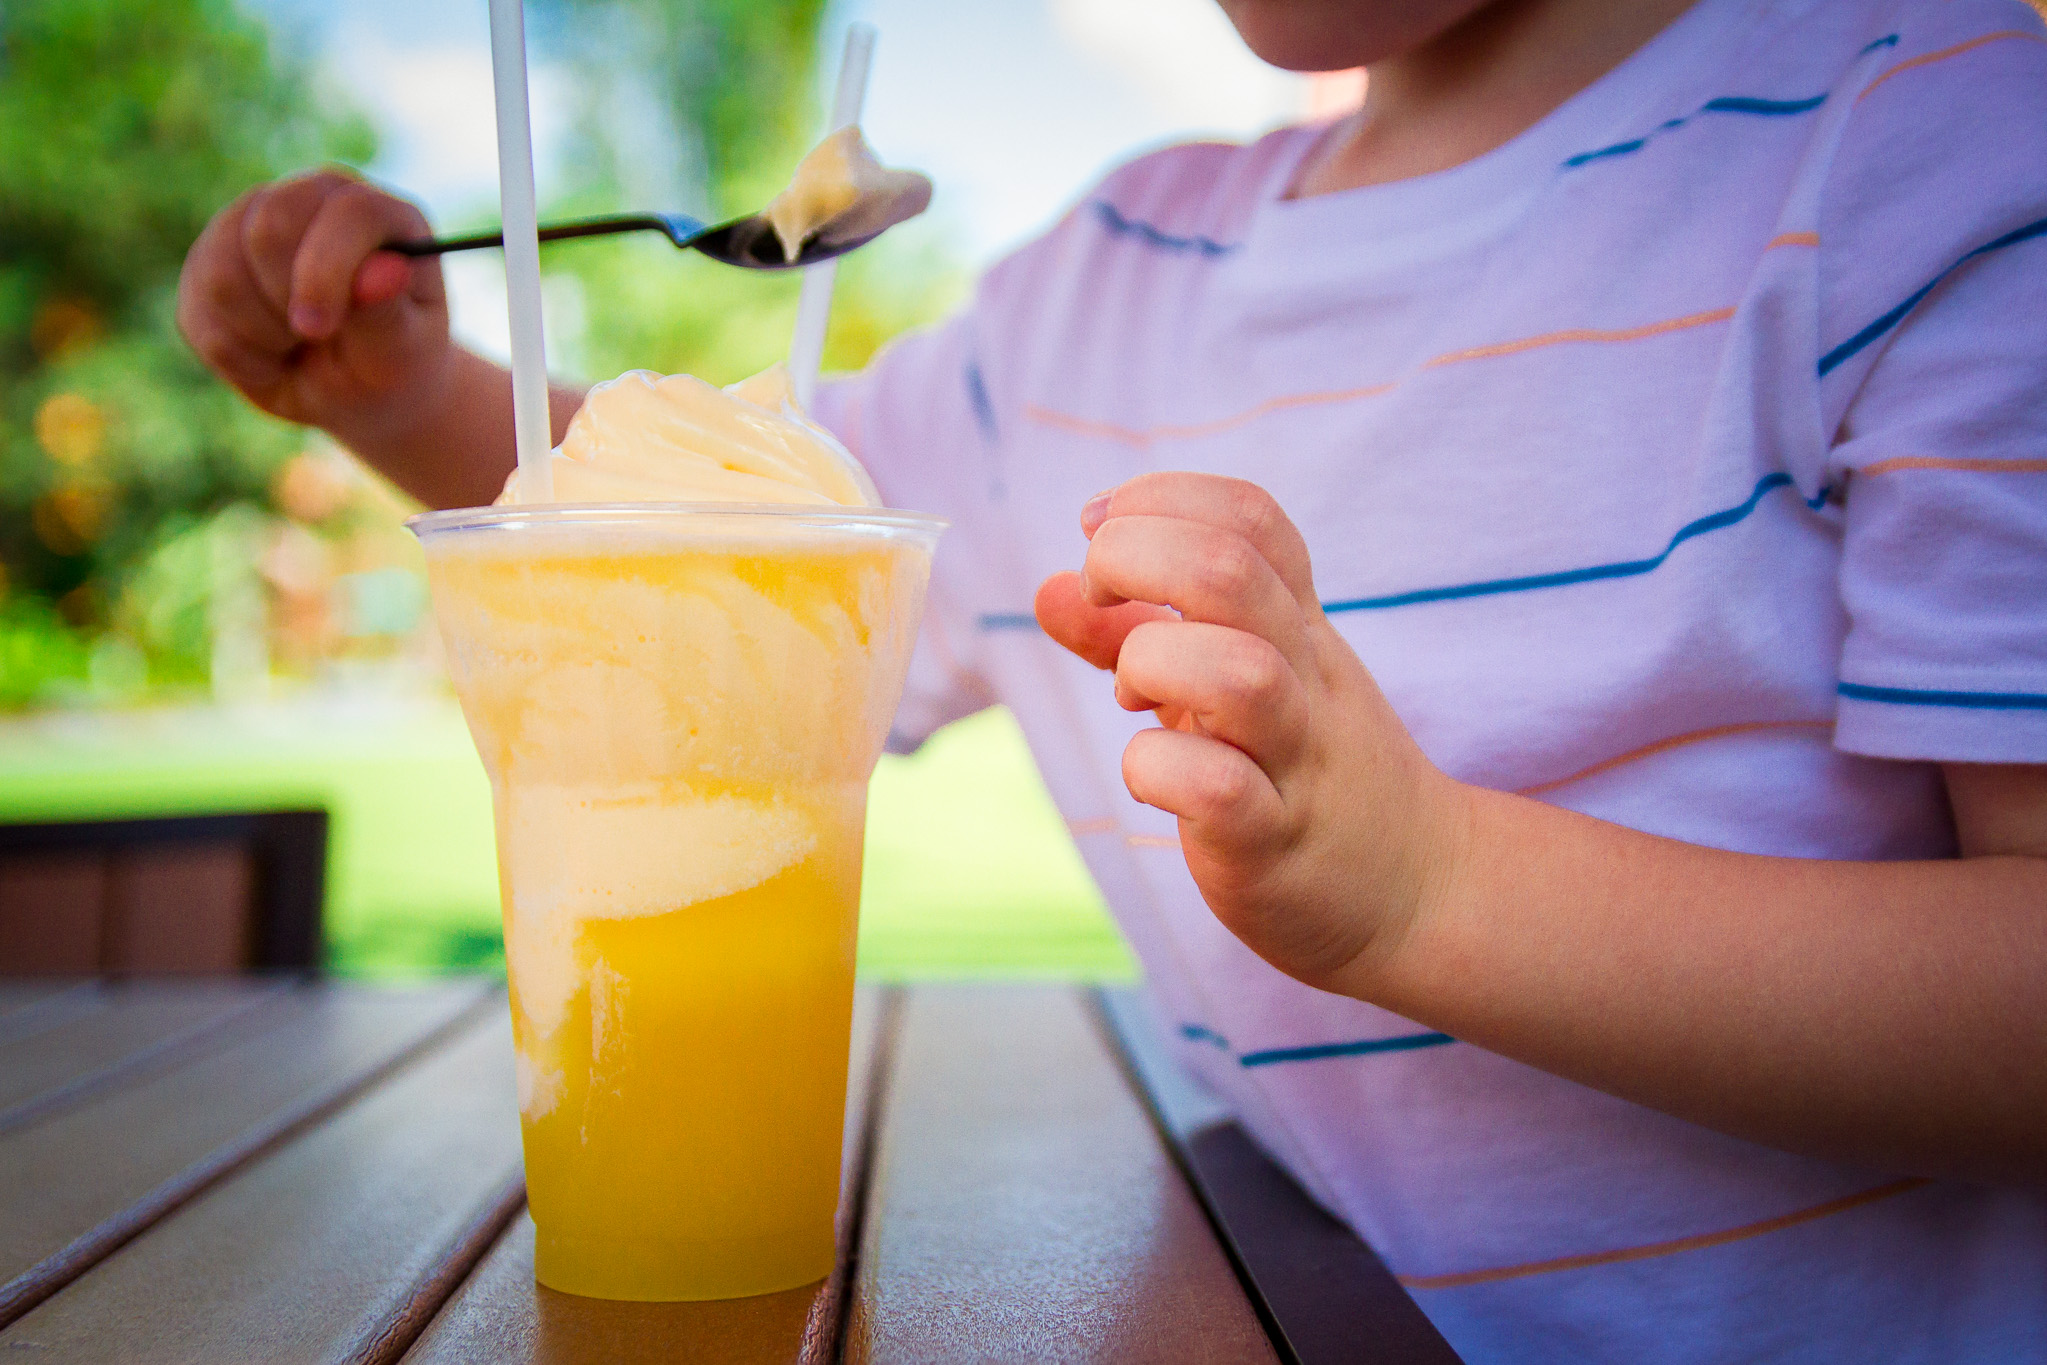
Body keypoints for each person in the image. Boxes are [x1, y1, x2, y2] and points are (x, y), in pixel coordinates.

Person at [176, 0, 2047, 1357]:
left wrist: (1428, 889)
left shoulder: (1930, 143)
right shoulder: (1102, 282)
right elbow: (694, 542)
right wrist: (415, 392)